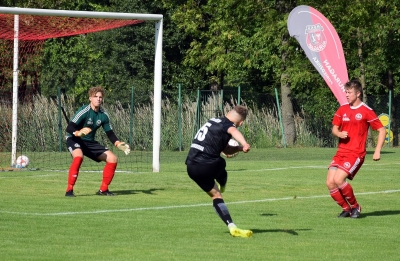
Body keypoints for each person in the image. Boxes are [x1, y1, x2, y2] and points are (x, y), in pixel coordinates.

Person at [185, 105, 253, 237]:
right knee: (221, 163)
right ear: (241, 122)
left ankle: (232, 227)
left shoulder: (213, 121)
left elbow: (226, 150)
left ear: (228, 112)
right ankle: (223, 180)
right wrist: (244, 143)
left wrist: (238, 148)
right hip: (206, 164)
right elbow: (234, 132)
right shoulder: (228, 125)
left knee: (216, 196)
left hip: (191, 167)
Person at [326, 80, 386, 218]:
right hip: (340, 152)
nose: (347, 95)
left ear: (358, 93)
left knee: (339, 180)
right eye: (346, 92)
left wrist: (377, 150)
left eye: (349, 92)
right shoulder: (342, 109)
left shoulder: (366, 111)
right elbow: (334, 128)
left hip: (355, 153)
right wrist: (339, 133)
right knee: (330, 183)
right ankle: (346, 208)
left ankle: (355, 207)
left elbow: (381, 130)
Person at [65, 86, 130, 197]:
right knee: (79, 157)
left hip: (89, 142)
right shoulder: (84, 111)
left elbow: (109, 133)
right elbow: (69, 127)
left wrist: (118, 143)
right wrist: (78, 132)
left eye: (100, 97)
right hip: (74, 139)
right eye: (95, 97)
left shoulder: (103, 115)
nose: (98, 99)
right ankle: (69, 190)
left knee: (113, 159)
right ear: (90, 98)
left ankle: (103, 190)